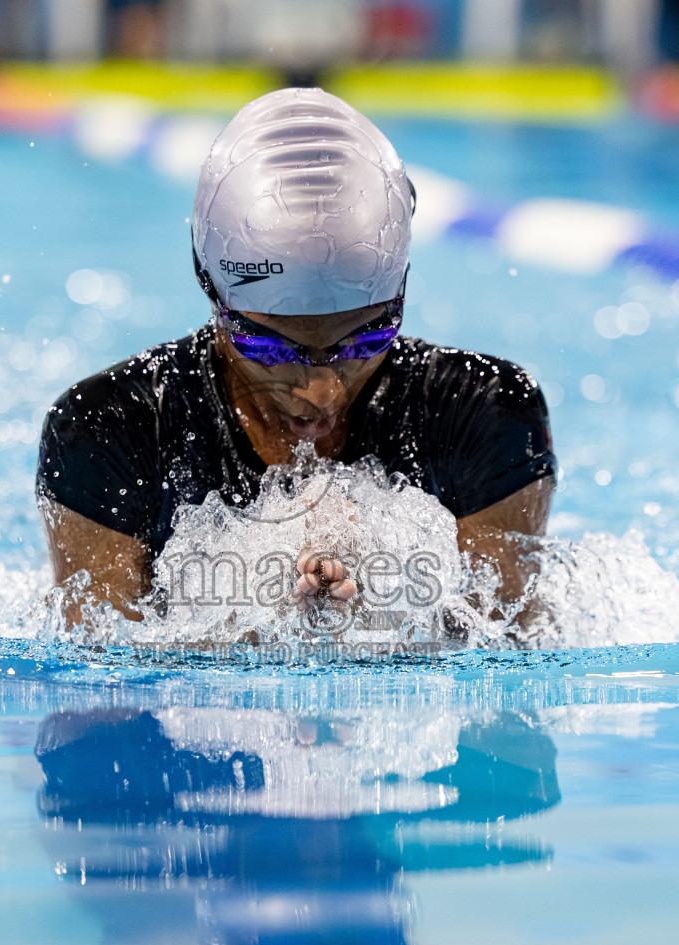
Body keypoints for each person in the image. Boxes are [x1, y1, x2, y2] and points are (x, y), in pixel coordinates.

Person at [38, 88, 556, 626]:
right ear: (211, 289)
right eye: (271, 347)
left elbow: (507, 650)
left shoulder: (481, 412)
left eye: (366, 339)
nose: (323, 392)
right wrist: (259, 622)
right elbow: (103, 679)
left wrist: (383, 609)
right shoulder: (110, 428)